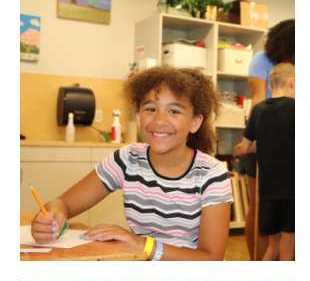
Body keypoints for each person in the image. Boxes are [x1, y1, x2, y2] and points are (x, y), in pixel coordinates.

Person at [30, 67, 231, 260]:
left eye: (174, 111)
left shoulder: (212, 174)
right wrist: (51, 218)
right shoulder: (127, 159)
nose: (159, 120)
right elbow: (63, 203)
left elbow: (211, 258)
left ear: (195, 122)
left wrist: (144, 245)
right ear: (138, 115)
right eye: (150, 109)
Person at [245, 19, 295, 261]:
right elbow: (256, 100)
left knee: (284, 233)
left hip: (288, 151)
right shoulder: (261, 60)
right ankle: (256, 263)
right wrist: (257, 136)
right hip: (266, 144)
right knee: (258, 208)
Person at [236, 64, 295, 261]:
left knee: (273, 247)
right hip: (291, 190)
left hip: (268, 191)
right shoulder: (296, 109)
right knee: (289, 248)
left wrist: (251, 147)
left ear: (270, 85)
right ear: (293, 83)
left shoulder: (258, 110)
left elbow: (244, 148)